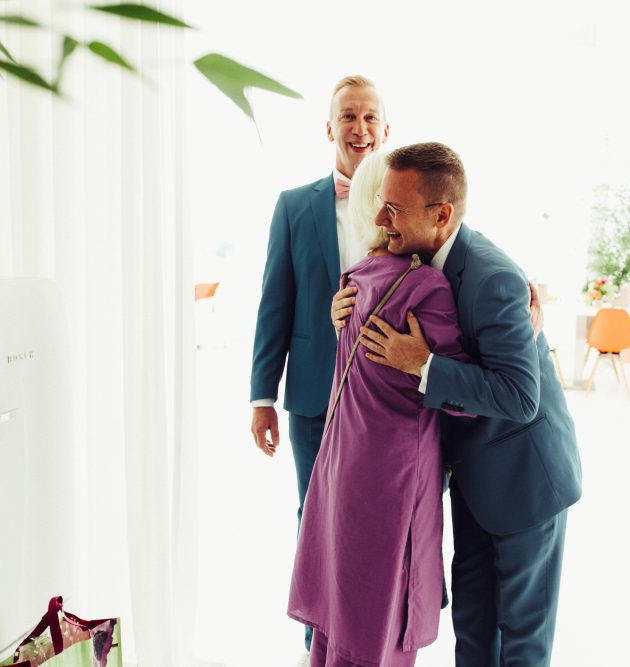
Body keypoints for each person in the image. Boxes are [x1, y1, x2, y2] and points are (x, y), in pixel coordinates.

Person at [334, 142, 582, 666]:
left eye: (394, 209)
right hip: (472, 481)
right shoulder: (417, 263)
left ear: (442, 215)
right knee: (472, 627)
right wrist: (342, 312)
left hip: (524, 480)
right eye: (381, 204)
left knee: (522, 640)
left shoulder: (496, 278)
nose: (380, 220)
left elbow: (520, 396)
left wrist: (424, 365)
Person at [288, 149, 471, 667]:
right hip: (391, 480)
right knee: (380, 614)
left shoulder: (357, 276)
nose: (386, 215)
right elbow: (466, 403)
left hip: (341, 466)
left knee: (341, 607)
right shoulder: (427, 287)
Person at [249, 75, 388, 657]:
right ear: (329, 128)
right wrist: (262, 395)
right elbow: (274, 304)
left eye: (370, 117)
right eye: (348, 117)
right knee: (316, 521)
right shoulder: (293, 206)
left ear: (385, 129)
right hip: (312, 397)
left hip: (386, 398)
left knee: (374, 524)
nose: (360, 128)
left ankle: (370, 642)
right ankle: (318, 645)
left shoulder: (403, 201)